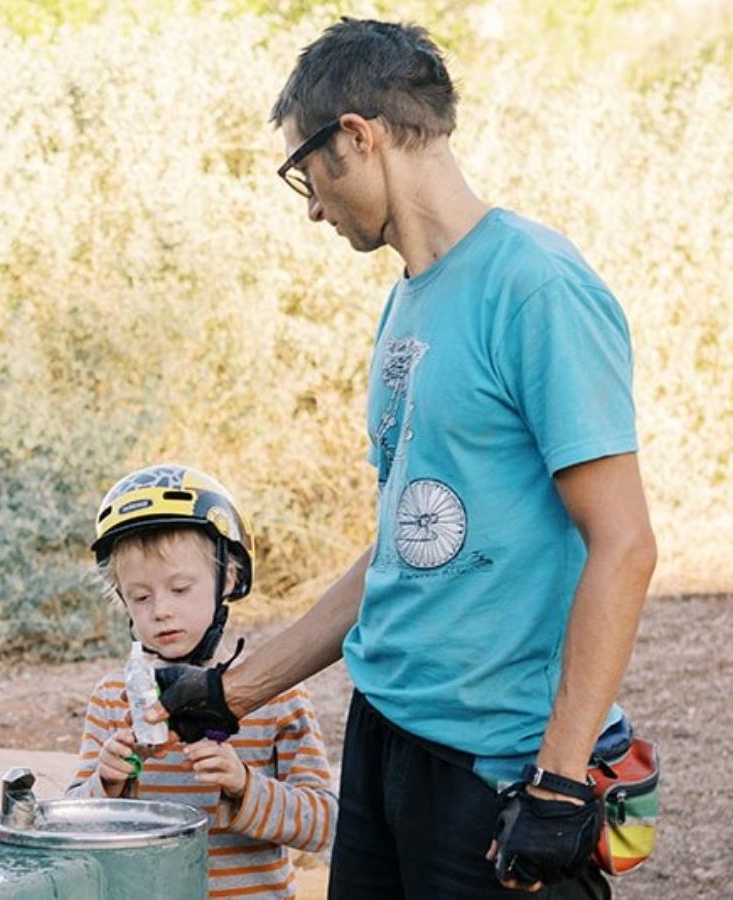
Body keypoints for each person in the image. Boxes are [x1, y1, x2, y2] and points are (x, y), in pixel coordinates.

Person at [149, 18, 658, 900]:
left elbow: (625, 544)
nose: (311, 206)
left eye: (305, 176)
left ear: (357, 136)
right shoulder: (409, 305)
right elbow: (403, 548)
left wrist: (562, 781)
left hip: (496, 770)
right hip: (387, 740)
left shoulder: (537, 288)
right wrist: (235, 690)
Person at [68, 464, 337, 900]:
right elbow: (76, 822)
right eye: (140, 596)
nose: (161, 611)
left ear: (227, 579)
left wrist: (245, 785)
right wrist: (105, 783)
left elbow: (326, 823)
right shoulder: (112, 699)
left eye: (180, 589)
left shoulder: (278, 694)